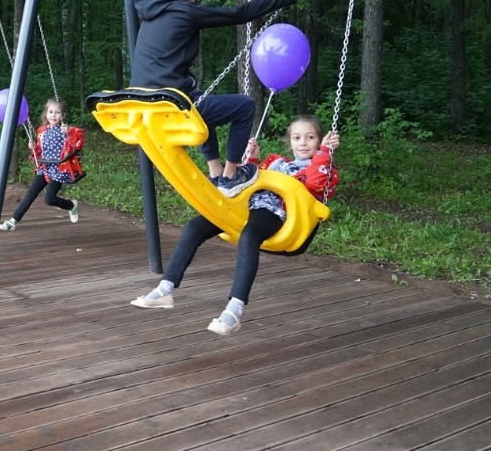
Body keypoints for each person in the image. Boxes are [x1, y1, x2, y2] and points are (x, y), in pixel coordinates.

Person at [130, 115, 340, 337]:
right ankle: (165, 289)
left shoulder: (324, 168)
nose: (303, 143)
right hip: (243, 208)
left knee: (249, 237)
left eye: (310, 137)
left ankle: (234, 310)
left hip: (277, 214)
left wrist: (324, 153)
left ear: (320, 141)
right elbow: (247, 181)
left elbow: (316, 184)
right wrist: (252, 159)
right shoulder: (277, 163)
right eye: (297, 138)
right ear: (290, 142)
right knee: (195, 226)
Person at [129, 0, 300, 195]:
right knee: (245, 106)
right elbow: (241, 14)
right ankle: (231, 176)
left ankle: (214, 170)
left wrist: (191, 2)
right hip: (172, 105)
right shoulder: (185, 11)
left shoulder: (151, 11)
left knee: (199, 99)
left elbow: (178, 23)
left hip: (145, 103)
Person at [0, 98, 85, 231]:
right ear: (46, 113)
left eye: (57, 112)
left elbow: (77, 144)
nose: (53, 115)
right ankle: (13, 221)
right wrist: (34, 147)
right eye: (50, 112)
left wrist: (69, 132)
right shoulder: (42, 131)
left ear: (63, 115)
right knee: (30, 194)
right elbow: (40, 150)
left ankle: (71, 205)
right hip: (44, 168)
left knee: (49, 199)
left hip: (59, 169)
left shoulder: (67, 130)